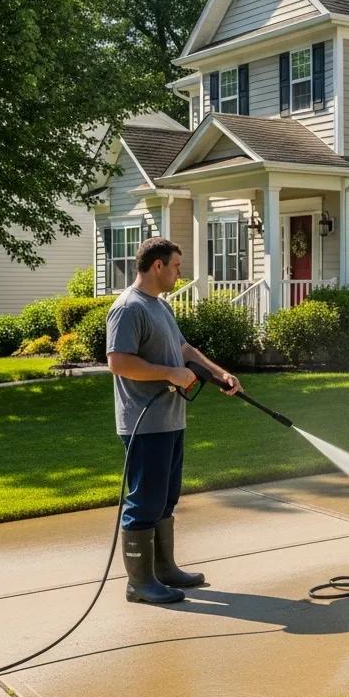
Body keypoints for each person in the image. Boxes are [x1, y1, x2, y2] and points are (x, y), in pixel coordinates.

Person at [106, 237, 242, 604]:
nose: (180, 273)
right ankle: (140, 584)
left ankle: (164, 571)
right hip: (143, 423)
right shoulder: (128, 308)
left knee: (166, 499)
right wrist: (171, 374)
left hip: (170, 420)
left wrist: (219, 374)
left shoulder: (160, 306)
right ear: (157, 266)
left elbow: (184, 349)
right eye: (177, 266)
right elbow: (118, 362)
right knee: (144, 502)